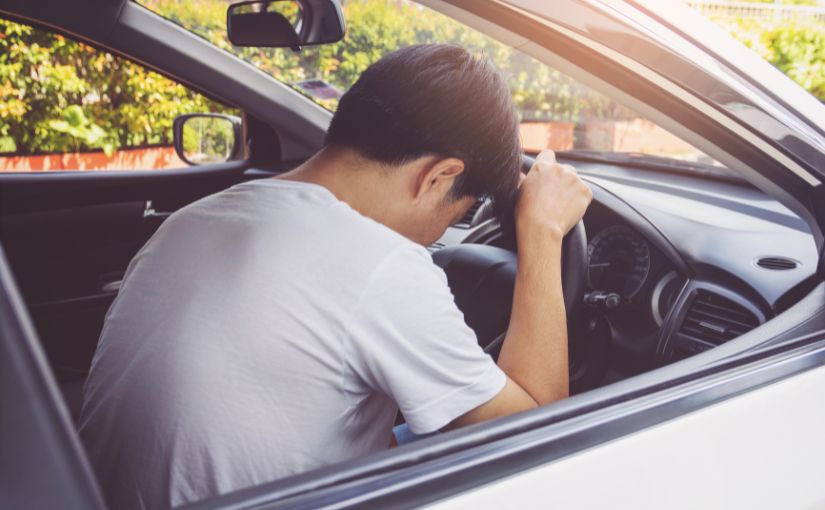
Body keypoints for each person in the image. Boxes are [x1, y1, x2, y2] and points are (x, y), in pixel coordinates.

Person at [79, 44, 592, 509]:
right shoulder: (380, 265)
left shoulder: (192, 221)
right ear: (438, 176)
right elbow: (537, 438)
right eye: (459, 216)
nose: (441, 236)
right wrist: (543, 232)